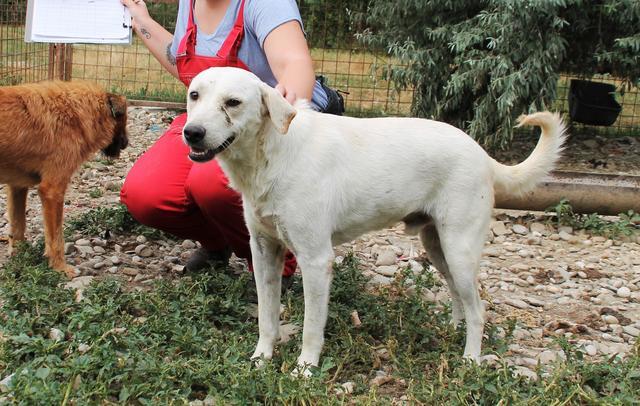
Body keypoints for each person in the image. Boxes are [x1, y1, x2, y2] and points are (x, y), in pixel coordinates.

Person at [119, 0, 343, 279]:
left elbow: (293, 62)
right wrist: (141, 20)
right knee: (147, 194)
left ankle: (275, 261)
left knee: (212, 185)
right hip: (211, 121)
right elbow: (184, 63)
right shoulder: (188, 4)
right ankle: (217, 242)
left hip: (269, 123)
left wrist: (289, 106)